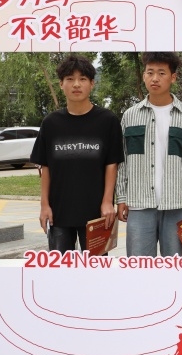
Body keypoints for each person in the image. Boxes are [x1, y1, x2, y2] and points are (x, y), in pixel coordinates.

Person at [30, 55, 123, 253]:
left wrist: (108, 202)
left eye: (82, 79)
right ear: (61, 84)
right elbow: (45, 167)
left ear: (92, 83)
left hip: (96, 215)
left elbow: (112, 164)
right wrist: (44, 206)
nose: (76, 84)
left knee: (96, 268)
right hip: (59, 215)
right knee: (61, 268)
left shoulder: (107, 121)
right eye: (70, 79)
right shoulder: (51, 123)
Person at [115, 51, 182, 256]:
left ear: (173, 77)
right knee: (139, 265)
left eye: (161, 73)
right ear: (144, 76)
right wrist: (121, 197)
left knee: (175, 265)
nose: (155, 78)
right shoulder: (130, 116)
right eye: (150, 72)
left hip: (176, 204)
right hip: (139, 204)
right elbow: (123, 161)